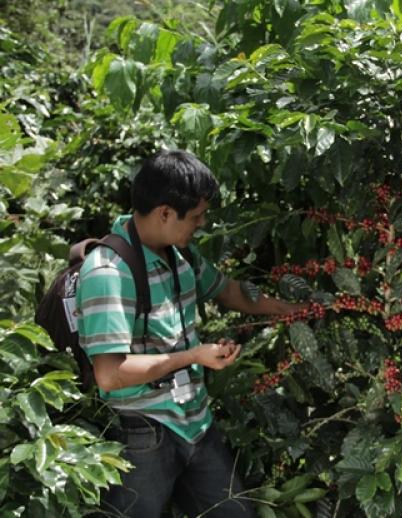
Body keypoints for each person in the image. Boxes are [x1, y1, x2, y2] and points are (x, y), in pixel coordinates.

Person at [77, 150, 307, 517]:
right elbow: (110, 374)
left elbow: (227, 291)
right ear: (165, 213)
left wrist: (292, 310)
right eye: (196, 216)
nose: (202, 223)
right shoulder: (108, 272)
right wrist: (194, 356)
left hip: (196, 423)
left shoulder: (179, 254)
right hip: (142, 433)